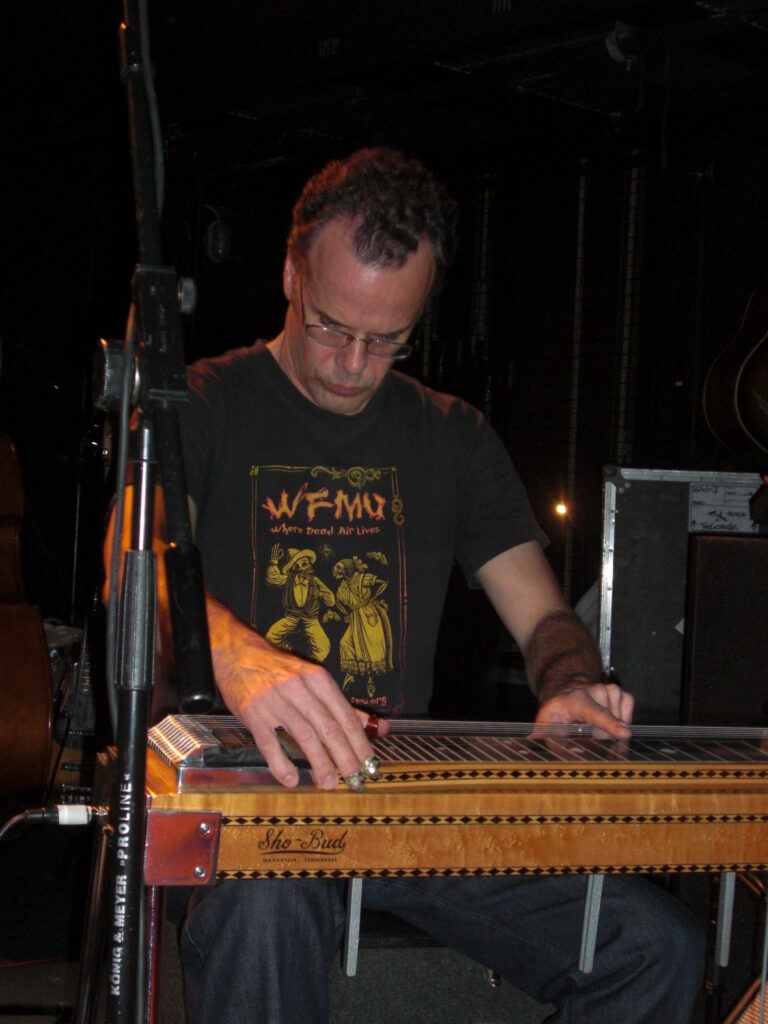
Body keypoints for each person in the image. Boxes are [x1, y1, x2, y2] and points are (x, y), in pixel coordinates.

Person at [111, 148, 704, 1022]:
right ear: (291, 274)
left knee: (655, 946)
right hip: (246, 807)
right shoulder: (200, 405)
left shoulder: (452, 434)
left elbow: (544, 616)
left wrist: (572, 682)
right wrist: (234, 654)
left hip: (398, 810)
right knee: (270, 901)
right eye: (330, 326)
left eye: (387, 339)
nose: (352, 363)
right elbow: (131, 563)